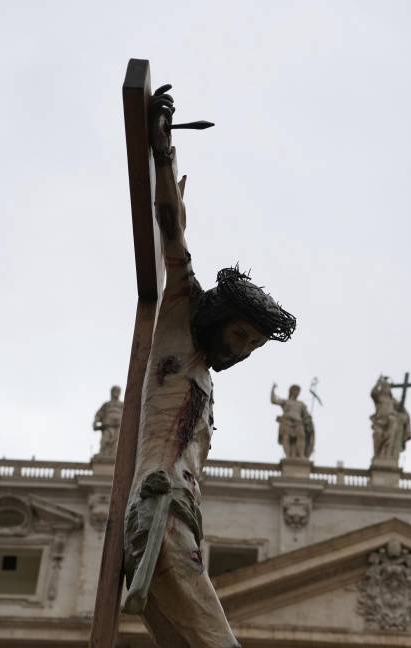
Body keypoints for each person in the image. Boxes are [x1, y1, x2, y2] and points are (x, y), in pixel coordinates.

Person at [121, 85, 296, 648]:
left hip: (177, 522)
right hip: (162, 517)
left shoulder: (203, 379)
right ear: (218, 316)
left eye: (253, 346)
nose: (242, 350)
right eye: (241, 335)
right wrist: (164, 151)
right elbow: (170, 226)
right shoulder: (180, 316)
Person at [271, 383, 314, 459]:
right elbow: (273, 400)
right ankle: (288, 456)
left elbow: (306, 415)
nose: (297, 392)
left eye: (298, 391)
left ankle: (301, 455)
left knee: (301, 436)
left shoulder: (301, 404)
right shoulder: (285, 401)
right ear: (291, 391)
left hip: (298, 422)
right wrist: (273, 389)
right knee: (286, 438)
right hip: (286, 421)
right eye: (296, 390)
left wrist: (308, 420)